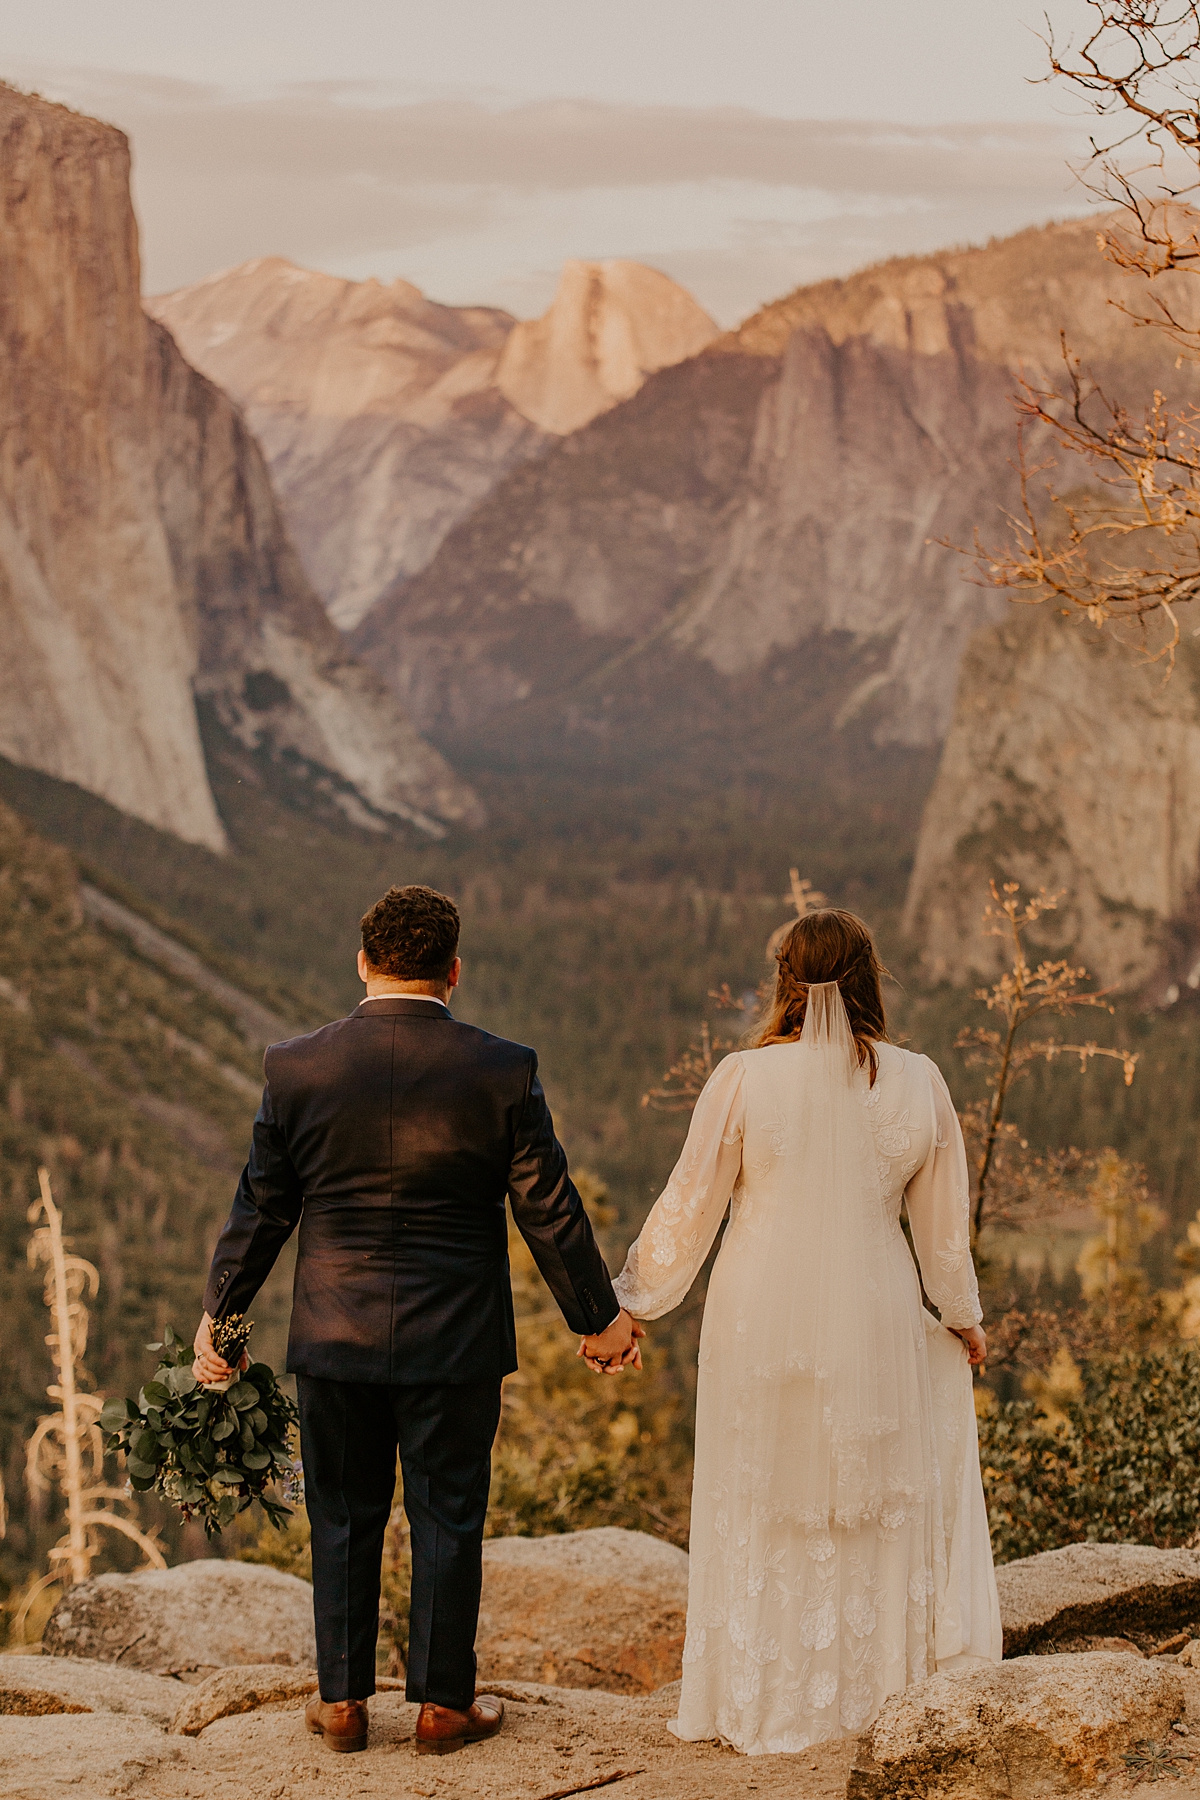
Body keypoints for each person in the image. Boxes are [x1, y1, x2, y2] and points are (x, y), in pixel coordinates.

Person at [193, 884, 640, 1756]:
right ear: (454, 972)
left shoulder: (298, 1067)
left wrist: (224, 1316)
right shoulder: (501, 1069)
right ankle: (441, 1708)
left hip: (333, 1336)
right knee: (447, 1516)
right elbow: (546, 1207)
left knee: (343, 1513)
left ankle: (344, 1704)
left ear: (363, 963)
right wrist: (600, 1319)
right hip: (457, 1343)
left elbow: (262, 1209)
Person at [610, 908, 1001, 1755]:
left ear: (787, 982)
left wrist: (631, 1305)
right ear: (868, 980)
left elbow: (691, 1204)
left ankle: (762, 1698)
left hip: (760, 1314)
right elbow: (942, 1232)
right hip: (876, 1308)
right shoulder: (918, 1080)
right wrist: (961, 1318)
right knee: (870, 1494)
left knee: (766, 1492)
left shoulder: (743, 1079)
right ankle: (873, 1690)